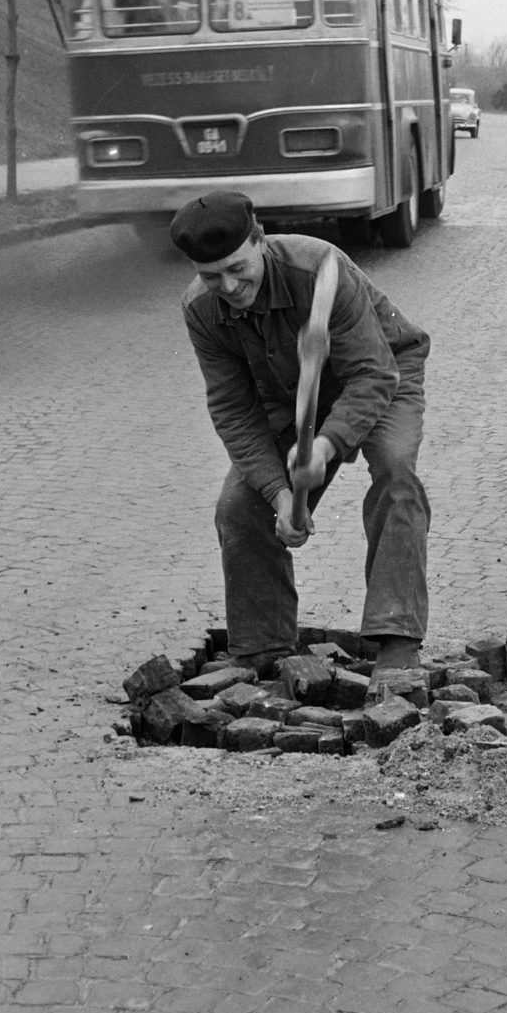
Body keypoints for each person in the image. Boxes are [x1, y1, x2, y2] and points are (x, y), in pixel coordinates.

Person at [170, 191, 433, 677]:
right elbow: (233, 408)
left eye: (237, 268)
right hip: (286, 395)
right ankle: (263, 648)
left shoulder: (321, 271)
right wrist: (279, 496)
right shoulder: (201, 310)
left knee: (396, 472)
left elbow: (374, 376)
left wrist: (327, 445)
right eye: (210, 276)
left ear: (260, 240)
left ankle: (396, 639)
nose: (227, 285)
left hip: (383, 372)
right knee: (238, 507)